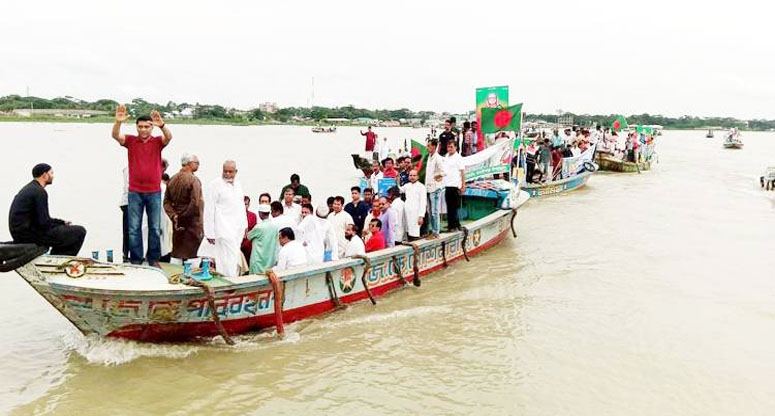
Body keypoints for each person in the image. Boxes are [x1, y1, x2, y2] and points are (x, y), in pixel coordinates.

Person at [112, 105, 172, 267]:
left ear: (151, 127)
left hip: (154, 192)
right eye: (140, 127)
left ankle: (153, 259)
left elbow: (169, 137)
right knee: (133, 228)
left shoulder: (157, 142)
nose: (143, 130)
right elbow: (116, 136)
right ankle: (136, 259)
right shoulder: (131, 141)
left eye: (147, 126)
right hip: (135, 192)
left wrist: (162, 125)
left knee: (154, 227)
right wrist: (118, 122)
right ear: (136, 127)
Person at [9, 163, 86, 255]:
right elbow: (43, 223)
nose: (53, 176)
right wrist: (60, 225)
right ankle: (57, 263)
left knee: (65, 233)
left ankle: (54, 261)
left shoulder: (30, 189)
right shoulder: (39, 192)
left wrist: (61, 223)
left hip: (22, 233)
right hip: (28, 234)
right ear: (45, 175)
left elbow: (41, 220)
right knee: (79, 232)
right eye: (51, 173)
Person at [198, 161, 247, 277]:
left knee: (234, 257)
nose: (227, 174)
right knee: (225, 258)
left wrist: (245, 225)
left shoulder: (238, 185)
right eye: (225, 171)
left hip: (237, 229)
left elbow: (241, 206)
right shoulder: (215, 185)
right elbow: (209, 209)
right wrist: (209, 232)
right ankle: (230, 279)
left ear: (236, 172)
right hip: (222, 228)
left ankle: (232, 278)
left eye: (230, 172)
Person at [163, 153, 203, 264]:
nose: (198, 166)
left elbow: (166, 202)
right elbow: (195, 203)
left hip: (177, 223)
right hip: (191, 223)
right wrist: (184, 217)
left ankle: (175, 276)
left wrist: (174, 216)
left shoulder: (172, 179)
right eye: (197, 163)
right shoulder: (194, 180)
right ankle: (192, 278)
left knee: (177, 253)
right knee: (193, 253)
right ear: (190, 164)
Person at [247, 203, 279, 274]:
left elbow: (248, 236)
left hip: (258, 260)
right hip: (270, 259)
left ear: (260, 213)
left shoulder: (258, 227)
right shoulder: (275, 226)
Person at [423, 138, 445, 239]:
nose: (427, 148)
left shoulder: (438, 158)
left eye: (429, 146)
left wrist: (438, 175)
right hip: (428, 187)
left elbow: (444, 171)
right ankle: (432, 230)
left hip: (435, 188)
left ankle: (436, 232)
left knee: (435, 211)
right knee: (430, 210)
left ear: (434, 147)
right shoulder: (429, 157)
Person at [442, 141, 465, 232]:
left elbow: (462, 172)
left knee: (454, 207)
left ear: (455, 147)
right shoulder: (446, 157)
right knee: (449, 206)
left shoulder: (458, 158)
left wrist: (463, 185)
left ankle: (455, 225)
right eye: (448, 147)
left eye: (451, 147)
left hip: (455, 185)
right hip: (447, 184)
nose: (449, 149)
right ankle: (451, 224)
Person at [401, 169, 427, 241]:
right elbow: (399, 190)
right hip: (407, 211)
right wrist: (396, 180)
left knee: (415, 232)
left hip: (416, 212)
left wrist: (421, 216)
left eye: (414, 175)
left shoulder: (421, 187)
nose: (412, 177)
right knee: (407, 230)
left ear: (418, 177)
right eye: (410, 175)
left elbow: (423, 202)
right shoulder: (407, 186)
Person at [241, 195, 258, 264]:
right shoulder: (234, 215)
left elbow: (254, 230)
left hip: (248, 245)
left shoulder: (253, 215)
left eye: (246, 204)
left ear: (249, 204)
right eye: (242, 204)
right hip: (236, 243)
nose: (244, 206)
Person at [119, 166, 130, 262]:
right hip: (130, 202)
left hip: (126, 201)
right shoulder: (131, 168)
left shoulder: (126, 168)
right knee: (129, 230)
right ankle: (127, 253)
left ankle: (126, 253)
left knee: (127, 229)